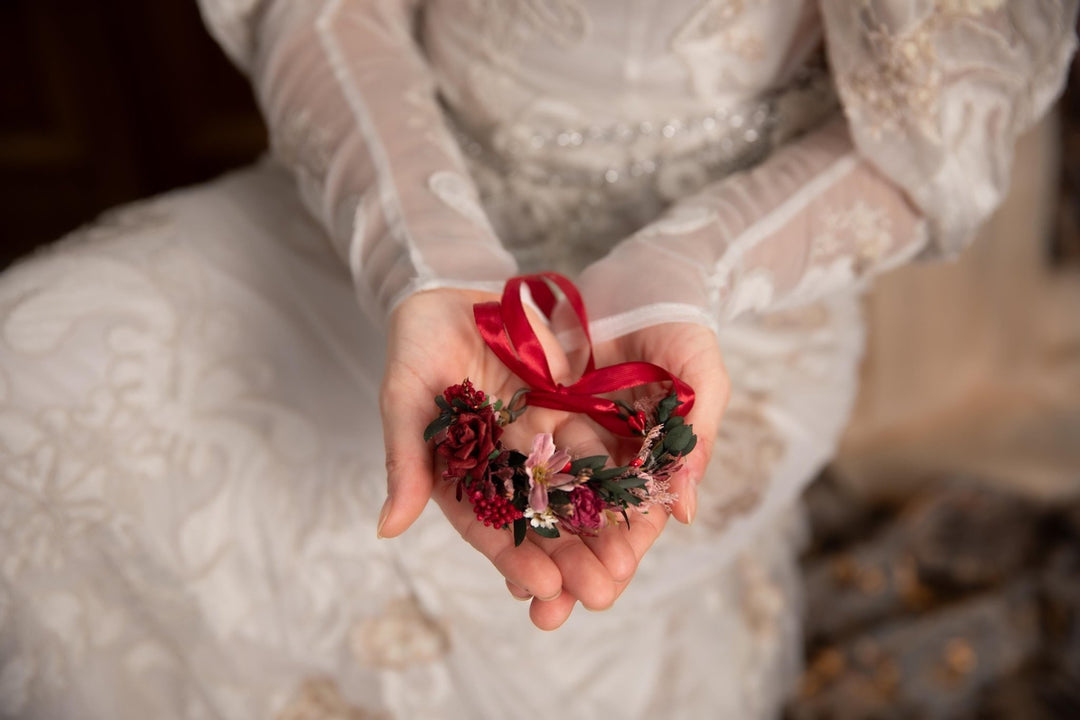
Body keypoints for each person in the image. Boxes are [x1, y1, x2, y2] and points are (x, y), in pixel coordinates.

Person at [0, 1, 1075, 718]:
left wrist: (687, 268)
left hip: (723, 289)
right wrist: (427, 262)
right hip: (395, 200)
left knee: (519, 610)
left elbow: (934, 138)